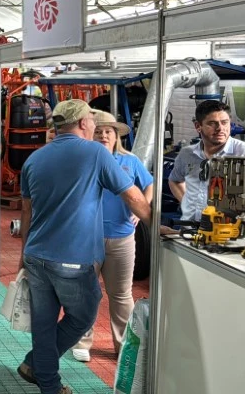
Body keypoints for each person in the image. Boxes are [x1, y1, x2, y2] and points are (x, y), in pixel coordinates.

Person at [17, 99, 152, 394]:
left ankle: (45, 379)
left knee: (43, 324)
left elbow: (26, 212)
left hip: (36, 256)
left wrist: (23, 257)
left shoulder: (34, 159)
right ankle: (37, 365)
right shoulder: (95, 153)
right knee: (82, 317)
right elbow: (131, 195)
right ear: (82, 123)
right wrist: (155, 224)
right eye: (93, 121)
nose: (96, 128)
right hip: (72, 260)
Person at [69, 110, 154, 363]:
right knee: (86, 292)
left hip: (122, 237)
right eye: (99, 131)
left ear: (117, 136)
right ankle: (83, 342)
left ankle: (123, 345)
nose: (104, 135)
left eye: (109, 131)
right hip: (87, 238)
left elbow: (149, 183)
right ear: (90, 134)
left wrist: (142, 208)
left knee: (121, 294)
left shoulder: (130, 161)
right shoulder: (83, 160)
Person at [169, 100, 245, 221]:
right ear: (198, 126)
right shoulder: (187, 154)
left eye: (224, 122)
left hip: (233, 232)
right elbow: (174, 180)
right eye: (212, 123)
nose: (220, 128)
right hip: (194, 229)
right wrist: (187, 204)